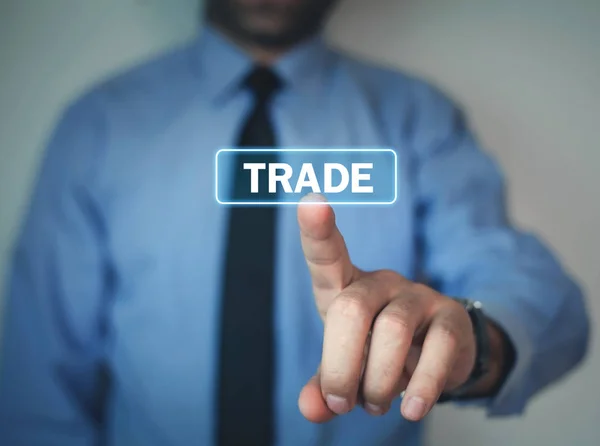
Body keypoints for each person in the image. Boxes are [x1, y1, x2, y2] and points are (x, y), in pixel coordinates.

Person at [0, 0, 590, 445]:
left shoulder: (416, 118)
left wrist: (471, 343)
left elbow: (534, 294)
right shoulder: (99, 126)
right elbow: (36, 382)